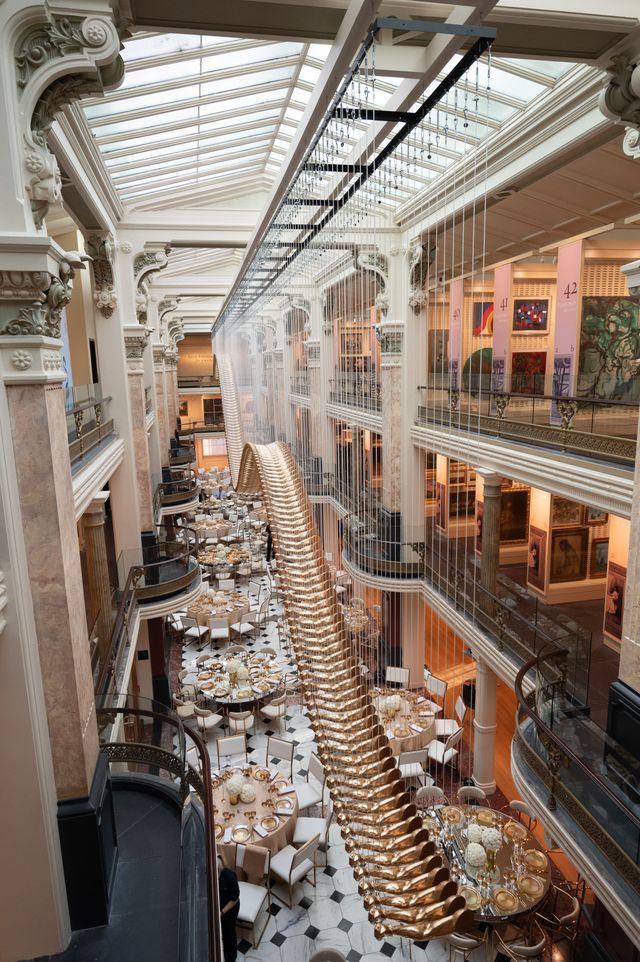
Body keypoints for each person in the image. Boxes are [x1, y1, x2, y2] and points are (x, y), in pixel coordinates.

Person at [219, 866, 240, 962]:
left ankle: (231, 958)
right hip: (221, 910)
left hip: (230, 911)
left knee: (229, 934)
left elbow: (234, 899)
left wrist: (222, 912)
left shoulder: (230, 877)